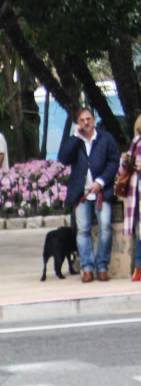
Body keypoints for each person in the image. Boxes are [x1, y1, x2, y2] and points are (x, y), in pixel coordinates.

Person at [58, 107, 121, 282]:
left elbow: (114, 161)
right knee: (83, 230)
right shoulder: (75, 140)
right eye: (82, 120)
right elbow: (63, 159)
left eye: (88, 119)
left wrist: (100, 182)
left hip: (102, 191)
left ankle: (101, 266)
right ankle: (87, 268)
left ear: (93, 119)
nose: (86, 123)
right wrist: (74, 137)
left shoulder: (105, 138)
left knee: (106, 227)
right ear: (78, 123)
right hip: (81, 193)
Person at [120, 115, 141, 282]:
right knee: (140, 232)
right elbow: (124, 167)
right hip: (137, 190)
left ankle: (138, 269)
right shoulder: (136, 141)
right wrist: (127, 160)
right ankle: (139, 268)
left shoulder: (136, 141)